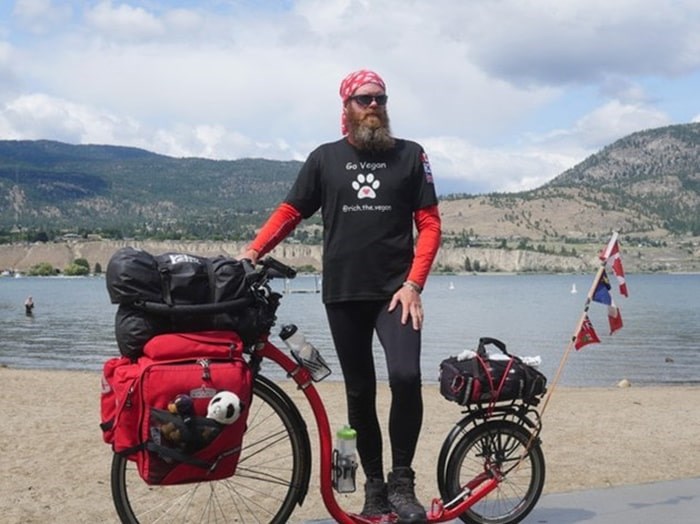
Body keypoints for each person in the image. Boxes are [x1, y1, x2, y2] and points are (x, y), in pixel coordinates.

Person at [241, 69, 441, 523]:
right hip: (345, 292)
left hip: (397, 294)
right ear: (347, 106)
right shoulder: (324, 158)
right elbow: (292, 210)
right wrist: (255, 249)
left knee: (407, 376)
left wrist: (414, 284)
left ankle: (402, 483)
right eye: (364, 99)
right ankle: (373, 487)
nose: (373, 106)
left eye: (380, 99)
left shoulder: (411, 155)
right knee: (360, 391)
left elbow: (429, 223)